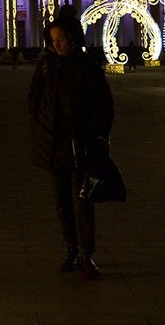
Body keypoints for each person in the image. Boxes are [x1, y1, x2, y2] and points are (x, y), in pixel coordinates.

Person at [28, 15, 114, 279]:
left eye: (62, 39)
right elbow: (34, 98)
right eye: (53, 40)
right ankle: (72, 250)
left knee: (83, 202)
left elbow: (104, 106)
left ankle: (87, 255)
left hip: (81, 146)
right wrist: (40, 127)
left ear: (73, 38)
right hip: (53, 145)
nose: (57, 45)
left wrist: (95, 135)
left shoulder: (87, 66)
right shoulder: (46, 66)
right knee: (61, 203)